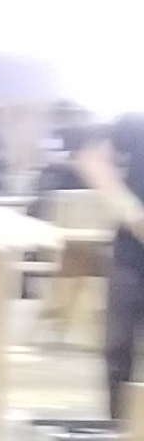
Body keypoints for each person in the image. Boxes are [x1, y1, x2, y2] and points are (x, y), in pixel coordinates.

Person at [82, 114, 144, 415]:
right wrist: (129, 211)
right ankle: (120, 427)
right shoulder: (137, 124)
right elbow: (93, 160)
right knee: (118, 348)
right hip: (132, 253)